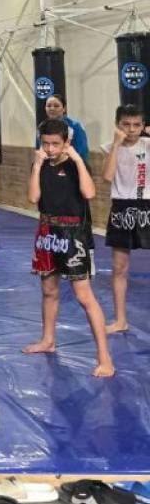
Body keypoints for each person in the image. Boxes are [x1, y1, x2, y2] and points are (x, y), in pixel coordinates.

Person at [24, 118, 113, 377]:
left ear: (66, 142)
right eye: (46, 143)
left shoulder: (76, 165)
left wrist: (77, 161)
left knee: (84, 296)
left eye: (55, 144)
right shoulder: (40, 164)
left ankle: (104, 357)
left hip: (73, 233)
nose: (50, 148)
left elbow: (89, 193)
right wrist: (37, 164)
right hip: (46, 231)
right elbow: (33, 197)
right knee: (48, 290)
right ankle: (48, 340)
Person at [102, 104, 150, 333]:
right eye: (126, 124)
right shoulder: (110, 147)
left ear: (143, 125)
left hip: (147, 204)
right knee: (119, 267)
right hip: (122, 207)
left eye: (136, 125)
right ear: (117, 125)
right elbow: (107, 176)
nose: (131, 129)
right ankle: (121, 320)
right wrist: (116, 144)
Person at [36, 94, 89, 163]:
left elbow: (82, 152)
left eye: (56, 106)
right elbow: (39, 150)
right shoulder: (41, 127)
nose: (52, 108)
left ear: (64, 109)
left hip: (71, 166)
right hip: (48, 166)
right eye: (48, 106)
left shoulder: (75, 126)